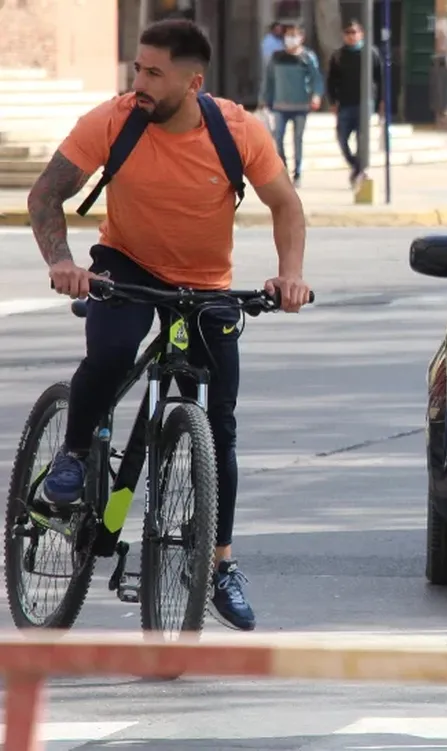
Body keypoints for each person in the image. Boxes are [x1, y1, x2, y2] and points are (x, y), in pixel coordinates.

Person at [24, 18, 312, 633]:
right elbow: (45, 195)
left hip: (206, 283)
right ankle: (74, 454)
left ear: (193, 81)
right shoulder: (113, 120)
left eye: (154, 73)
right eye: (138, 68)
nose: (140, 83)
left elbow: (285, 204)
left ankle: (220, 563)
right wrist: (63, 263)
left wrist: (290, 275)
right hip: (125, 266)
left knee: (220, 426)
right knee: (109, 354)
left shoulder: (236, 130)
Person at [260, 20, 324, 187]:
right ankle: (283, 169)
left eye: (294, 35)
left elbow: (317, 78)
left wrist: (316, 96)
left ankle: (298, 173)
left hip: (301, 105)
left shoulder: (307, 57)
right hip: (280, 105)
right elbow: (269, 80)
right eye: (288, 35)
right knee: (279, 138)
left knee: (297, 139)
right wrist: (264, 99)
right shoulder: (276, 57)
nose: (291, 38)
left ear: (302, 37)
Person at [326, 18, 383, 190]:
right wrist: (332, 101)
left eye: (355, 32)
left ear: (361, 34)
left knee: (361, 139)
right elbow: (331, 80)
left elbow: (379, 79)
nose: (352, 36)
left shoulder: (370, 53)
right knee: (342, 138)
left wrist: (381, 102)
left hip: (364, 104)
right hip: (345, 104)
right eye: (348, 33)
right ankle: (357, 167)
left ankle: (358, 171)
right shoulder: (338, 55)